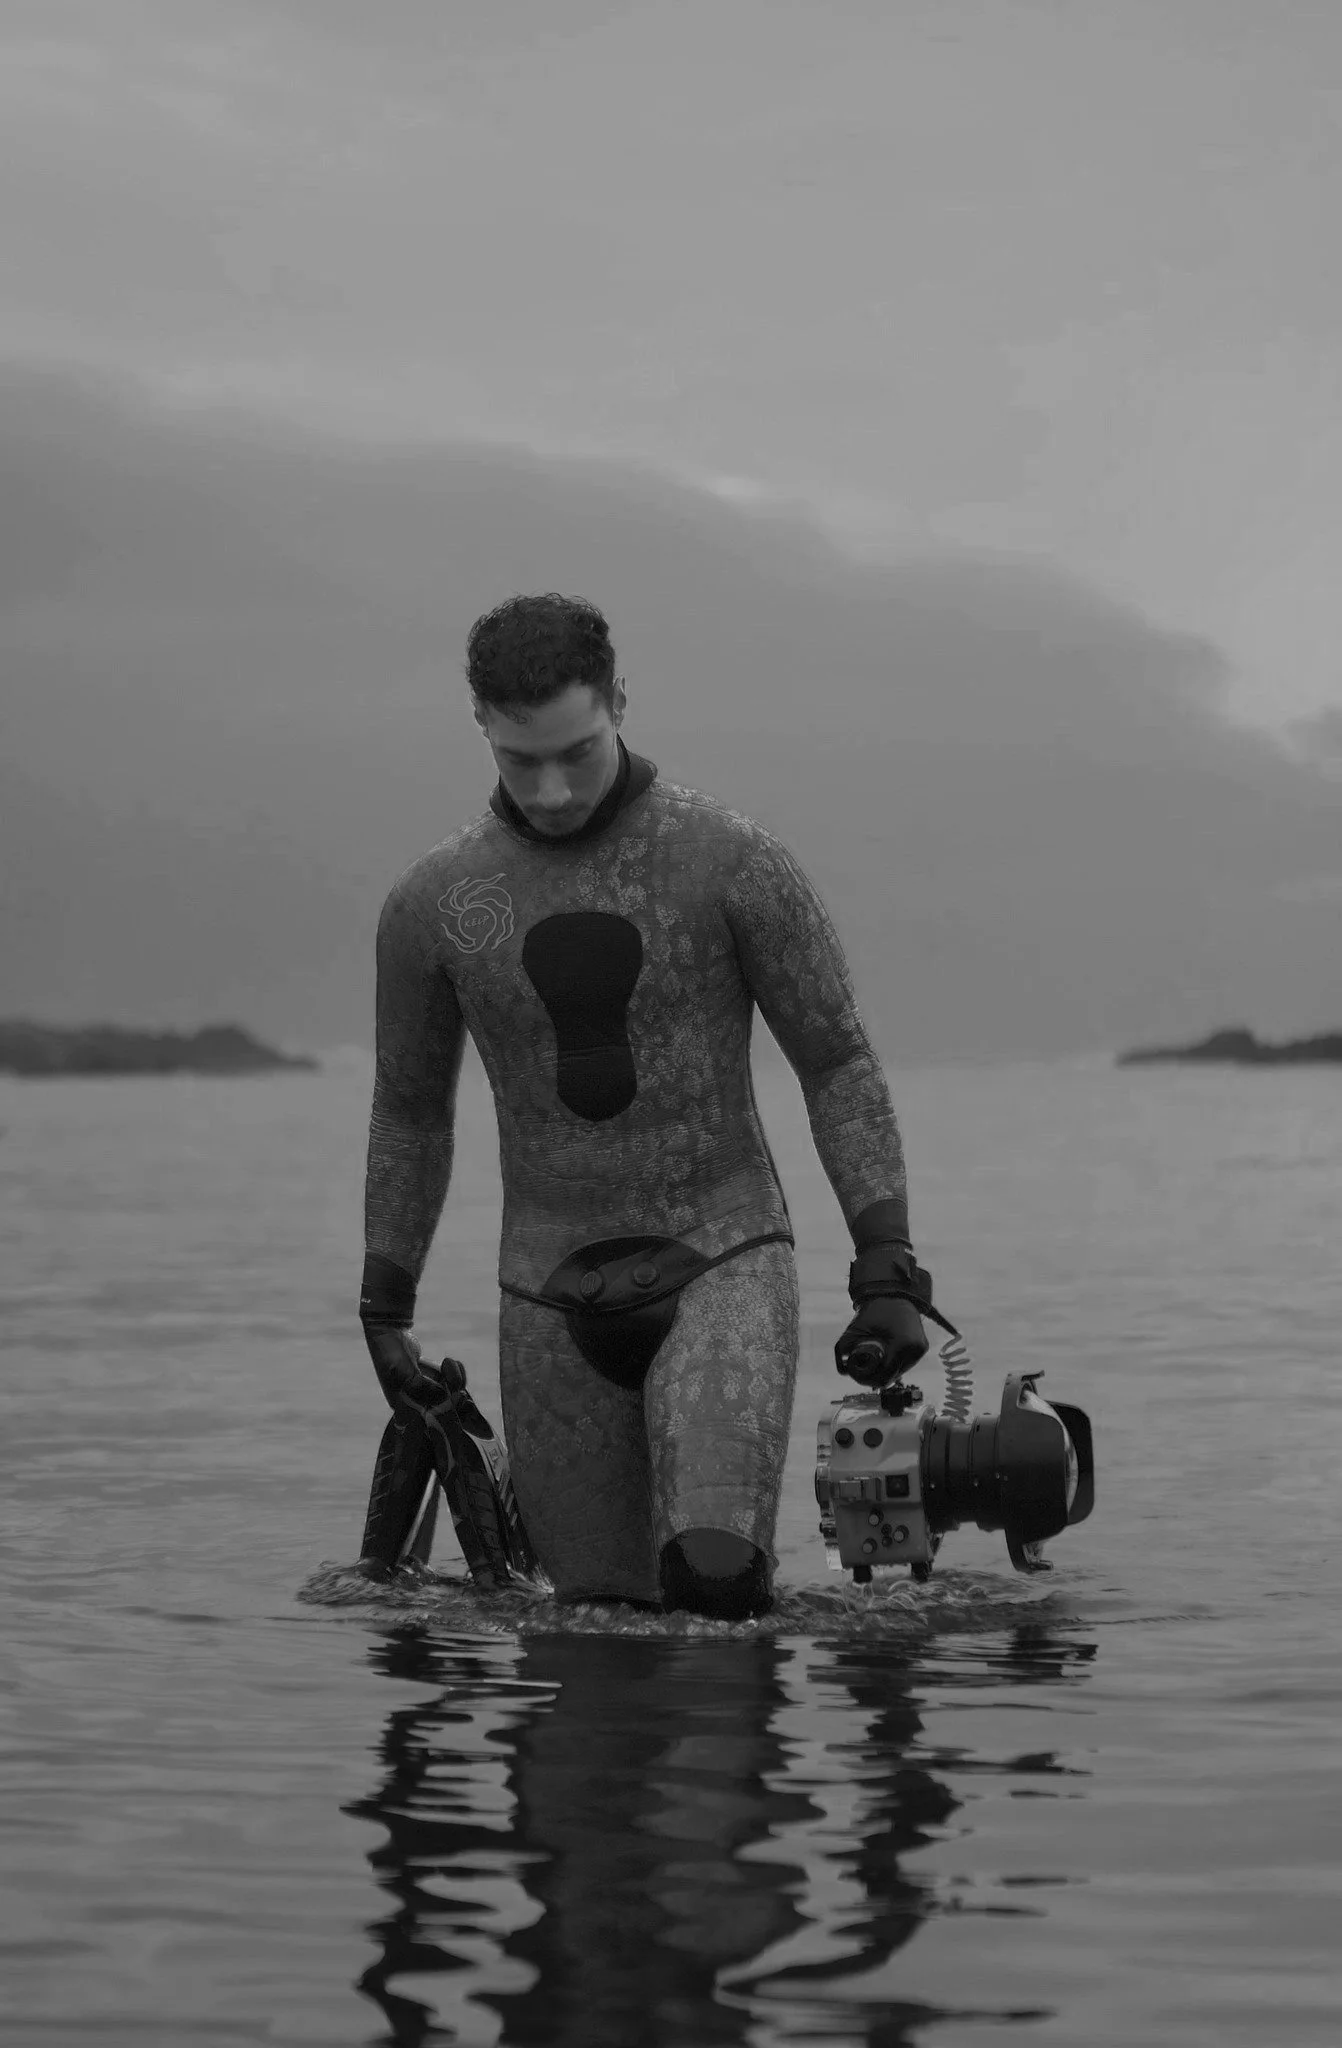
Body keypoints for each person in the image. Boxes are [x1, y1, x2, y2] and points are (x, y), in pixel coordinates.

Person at [356, 593, 931, 1619]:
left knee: (713, 1583)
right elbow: (409, 1110)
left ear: (620, 701)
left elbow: (837, 1062)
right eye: (520, 760)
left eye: (577, 751)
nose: (552, 789)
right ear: (479, 724)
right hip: (544, 1290)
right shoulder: (431, 904)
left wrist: (885, 1262)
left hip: (722, 1254)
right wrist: (384, 1308)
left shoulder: (731, 861)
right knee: (589, 1630)